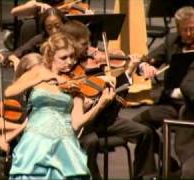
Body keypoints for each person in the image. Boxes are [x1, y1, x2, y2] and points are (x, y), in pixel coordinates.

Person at [5, 32, 115, 179]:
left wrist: (100, 105)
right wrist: (37, 80)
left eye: (72, 57)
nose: (69, 62)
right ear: (51, 56)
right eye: (63, 58)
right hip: (35, 141)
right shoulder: (38, 71)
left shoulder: (75, 82)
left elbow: (77, 123)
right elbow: (9, 92)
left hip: (64, 144)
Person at [59, 20, 158, 179]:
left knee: (144, 132)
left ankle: (142, 176)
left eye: (89, 43)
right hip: (84, 121)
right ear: (70, 43)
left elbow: (117, 76)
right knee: (89, 142)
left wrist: (135, 67)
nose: (90, 49)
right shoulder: (64, 63)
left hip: (105, 117)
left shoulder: (96, 58)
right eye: (84, 44)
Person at [132, 6, 194, 175]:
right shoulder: (171, 41)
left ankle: (185, 170)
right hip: (171, 104)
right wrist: (144, 67)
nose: (189, 33)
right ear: (178, 28)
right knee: (139, 125)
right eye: (185, 29)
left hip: (191, 108)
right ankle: (160, 168)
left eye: (193, 29)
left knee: (185, 138)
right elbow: (145, 61)